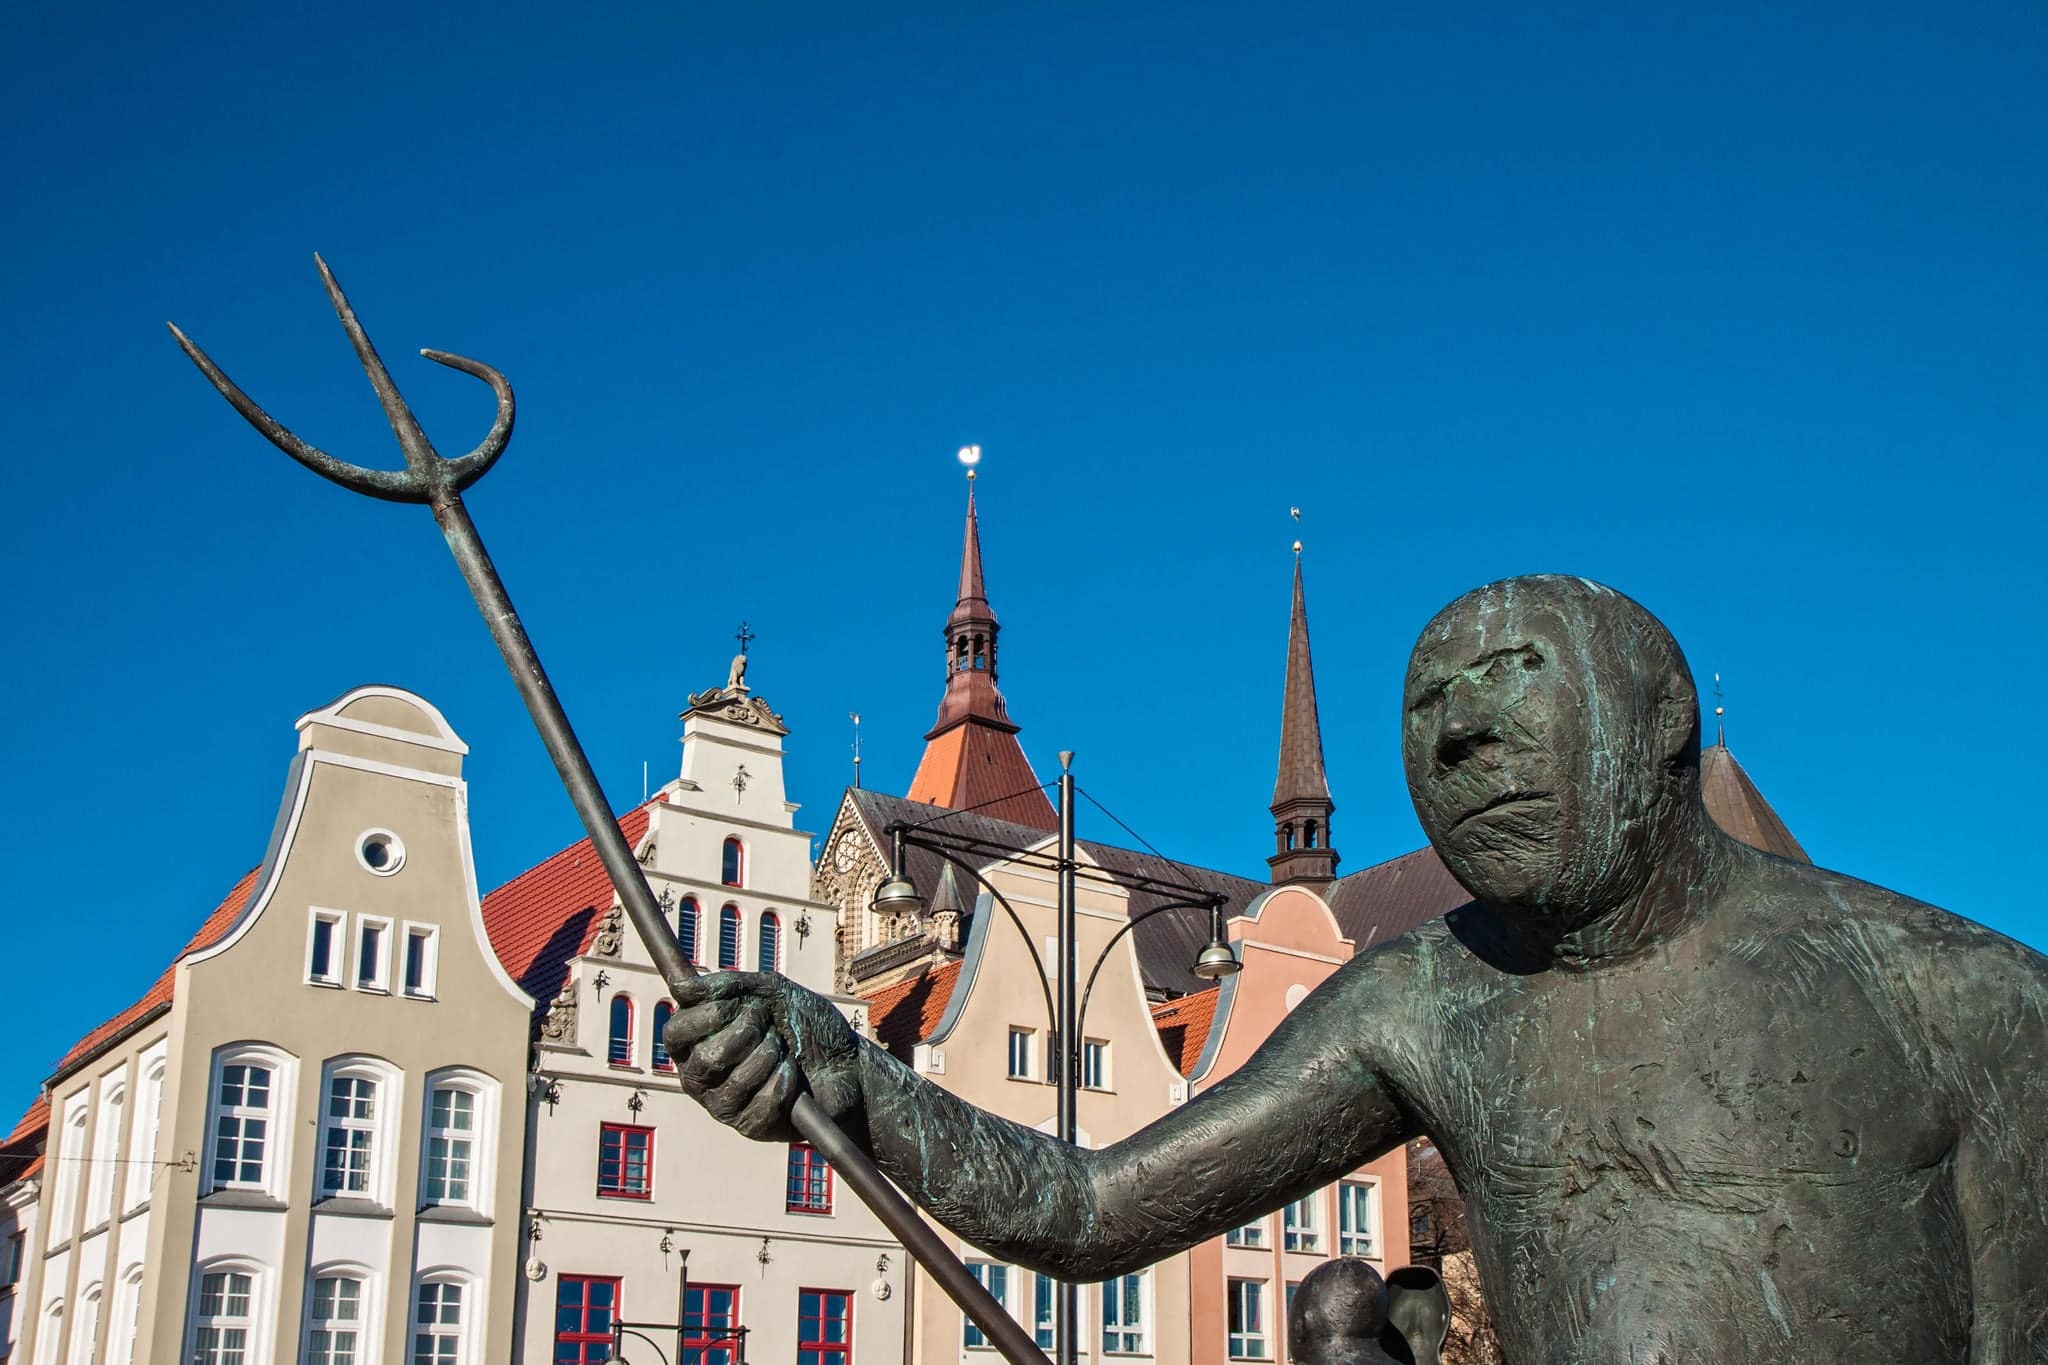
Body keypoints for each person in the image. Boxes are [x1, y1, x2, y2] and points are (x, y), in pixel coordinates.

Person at [666, 575, 2048, 1363]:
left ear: (1665, 711)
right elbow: (1086, 1208)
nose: (1452, 739)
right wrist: (840, 1067)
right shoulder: (1424, 996)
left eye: (1506, 675)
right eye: (1424, 710)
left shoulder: (1964, 998)